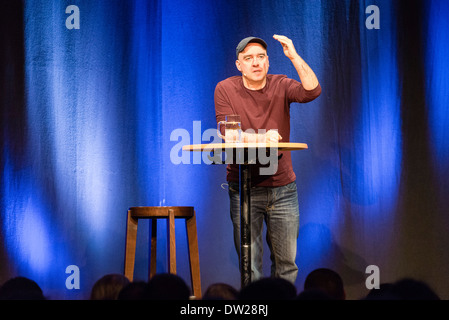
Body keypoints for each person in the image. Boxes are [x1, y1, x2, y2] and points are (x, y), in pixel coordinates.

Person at [214, 35, 321, 284]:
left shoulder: (281, 84)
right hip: (244, 186)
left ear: (268, 62)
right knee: (249, 266)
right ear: (238, 64)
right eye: (248, 58)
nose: (256, 63)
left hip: (282, 187)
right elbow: (230, 134)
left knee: (286, 266)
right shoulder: (226, 88)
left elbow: (312, 90)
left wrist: (293, 56)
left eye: (261, 57)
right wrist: (263, 137)